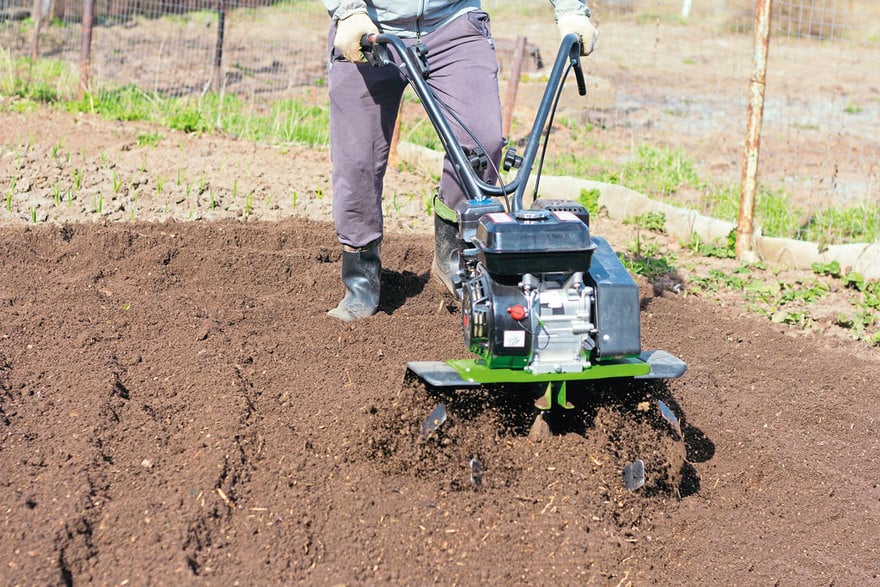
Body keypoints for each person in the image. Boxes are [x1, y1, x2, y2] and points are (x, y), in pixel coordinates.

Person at [321, 0, 598, 321]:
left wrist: (571, 10)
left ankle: (450, 252)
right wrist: (348, 11)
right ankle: (360, 280)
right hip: (367, 27)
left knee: (482, 144)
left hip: (453, 27)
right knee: (357, 164)